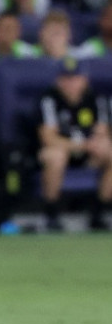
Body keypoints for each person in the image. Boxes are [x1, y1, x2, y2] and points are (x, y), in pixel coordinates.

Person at [36, 57, 112, 231]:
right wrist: (81, 145)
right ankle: (52, 215)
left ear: (84, 79)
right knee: (55, 156)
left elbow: (102, 131)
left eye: (75, 78)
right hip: (60, 152)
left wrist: (96, 144)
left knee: (109, 151)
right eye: (66, 78)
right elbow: (48, 137)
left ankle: (98, 214)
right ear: (58, 80)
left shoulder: (96, 98)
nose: (71, 84)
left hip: (88, 155)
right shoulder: (49, 99)